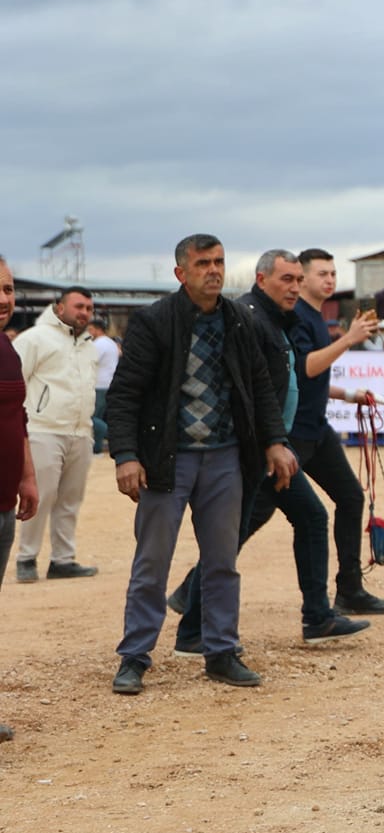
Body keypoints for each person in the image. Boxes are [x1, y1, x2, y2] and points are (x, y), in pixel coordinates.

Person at [105, 235, 299, 693]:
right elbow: (125, 393)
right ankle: (134, 656)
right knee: (152, 561)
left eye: (219, 262)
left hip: (226, 457)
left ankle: (221, 652)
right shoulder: (154, 321)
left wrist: (274, 441)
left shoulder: (237, 319)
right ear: (181, 273)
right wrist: (126, 456)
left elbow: (259, 387)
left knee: (222, 561)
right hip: (166, 460)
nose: (213, 270)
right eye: (203, 263)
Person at [166, 252, 370, 650]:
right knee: (232, 536)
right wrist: (267, 444)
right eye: (287, 279)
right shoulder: (248, 318)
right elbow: (244, 389)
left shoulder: (274, 319)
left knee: (308, 518)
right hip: (251, 451)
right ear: (262, 279)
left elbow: (283, 382)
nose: (294, 287)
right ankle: (192, 631)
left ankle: (317, 617)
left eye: (298, 279)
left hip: (274, 445)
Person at [291, 249, 384, 616]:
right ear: (301, 278)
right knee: (250, 516)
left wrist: (352, 395)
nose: (330, 279)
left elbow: (317, 378)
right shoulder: (297, 318)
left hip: (315, 429)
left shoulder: (316, 317)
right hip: (294, 433)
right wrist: (349, 339)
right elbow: (305, 368)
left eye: (333, 273)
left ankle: (350, 589)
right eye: (322, 273)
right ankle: (192, 590)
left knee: (351, 497)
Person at [13, 285, 99, 583]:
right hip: (43, 429)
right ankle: (26, 556)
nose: (84, 313)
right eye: (78, 306)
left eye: (88, 308)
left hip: (80, 432)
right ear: (59, 308)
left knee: (71, 499)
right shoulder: (35, 339)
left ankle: (63, 559)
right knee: (42, 495)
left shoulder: (89, 345)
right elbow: (14, 380)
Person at [0, 258, 41, 742]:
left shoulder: (8, 351)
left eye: (8, 289)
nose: (4, 299)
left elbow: (18, 419)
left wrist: (27, 477)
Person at [88, 316, 118, 454]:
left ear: (97, 330)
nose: (88, 332)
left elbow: (89, 361)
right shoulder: (111, 343)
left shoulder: (99, 344)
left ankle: (111, 436)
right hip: (108, 384)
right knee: (97, 417)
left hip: (99, 385)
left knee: (91, 418)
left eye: (90, 329)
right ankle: (97, 448)